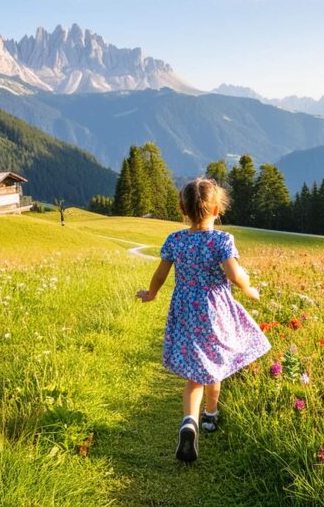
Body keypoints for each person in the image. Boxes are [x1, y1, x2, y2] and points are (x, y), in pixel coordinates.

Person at [136, 178, 269, 463]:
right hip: (215, 311)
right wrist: (249, 289)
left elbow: (160, 275)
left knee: (194, 374)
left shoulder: (176, 240)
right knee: (215, 366)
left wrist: (151, 293)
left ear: (182, 208)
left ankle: (189, 422)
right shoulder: (222, 240)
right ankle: (210, 415)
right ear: (218, 208)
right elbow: (234, 274)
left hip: (185, 310)